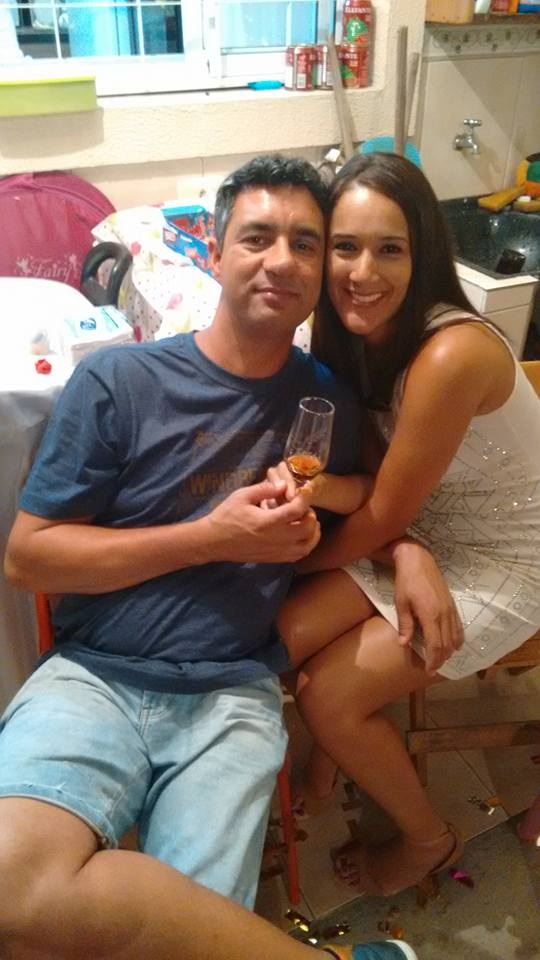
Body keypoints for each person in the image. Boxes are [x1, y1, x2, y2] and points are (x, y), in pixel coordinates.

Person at [0, 153, 426, 960]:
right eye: (258, 237)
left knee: (161, 942)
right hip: (93, 677)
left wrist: (406, 551)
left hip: (230, 691)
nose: (282, 261)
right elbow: (29, 559)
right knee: (13, 893)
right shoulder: (120, 381)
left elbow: (368, 495)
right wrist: (213, 537)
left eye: (306, 244)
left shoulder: (326, 403)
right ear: (215, 252)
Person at [270, 151, 540, 897]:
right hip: (422, 527)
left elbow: (384, 503)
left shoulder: (451, 352)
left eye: (390, 249)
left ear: (423, 256)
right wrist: (407, 548)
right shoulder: (350, 333)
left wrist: (298, 558)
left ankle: (428, 838)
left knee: (326, 693)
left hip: (512, 556)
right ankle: (335, 757)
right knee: (281, 638)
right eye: (346, 247)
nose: (363, 273)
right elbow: (375, 474)